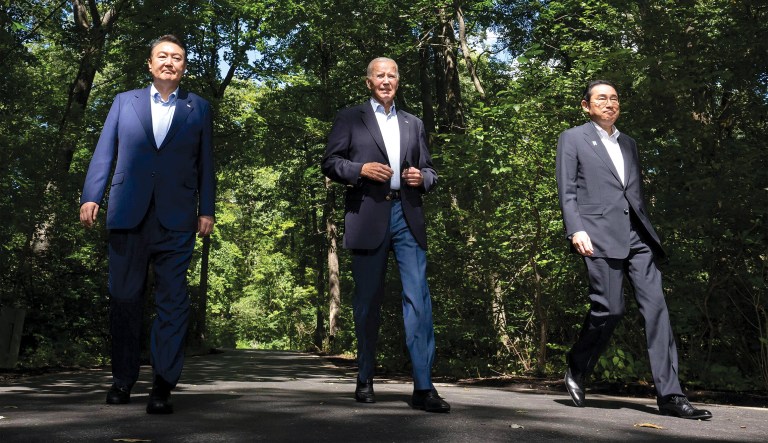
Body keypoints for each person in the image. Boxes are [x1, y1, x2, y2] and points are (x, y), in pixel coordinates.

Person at [555, 80, 712, 419]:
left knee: (657, 311)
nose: (609, 103)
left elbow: (633, 193)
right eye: (601, 98)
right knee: (609, 309)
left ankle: (670, 396)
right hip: (596, 235)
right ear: (586, 105)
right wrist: (576, 229)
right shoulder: (573, 138)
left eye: (614, 98)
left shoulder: (629, 143)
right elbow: (567, 190)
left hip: (637, 238)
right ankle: (578, 366)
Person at [80, 34, 215, 415]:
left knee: (173, 304)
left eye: (177, 57)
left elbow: (206, 163)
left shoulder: (198, 108)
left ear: (184, 66)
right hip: (127, 214)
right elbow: (105, 149)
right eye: (162, 56)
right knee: (124, 300)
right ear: (150, 64)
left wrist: (207, 209)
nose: (169, 62)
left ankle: (162, 384)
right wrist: (91, 195)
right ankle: (122, 380)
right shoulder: (125, 101)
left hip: (177, 217)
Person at [321, 57, 449, 413]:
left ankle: (424, 387)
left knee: (418, 301)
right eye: (380, 75)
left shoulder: (414, 123)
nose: (386, 80)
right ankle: (365, 377)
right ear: (368, 81)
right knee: (367, 303)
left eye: (392, 75)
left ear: (398, 81)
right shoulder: (350, 117)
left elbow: (430, 170)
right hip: (367, 216)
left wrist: (422, 179)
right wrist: (360, 169)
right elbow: (330, 162)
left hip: (408, 216)